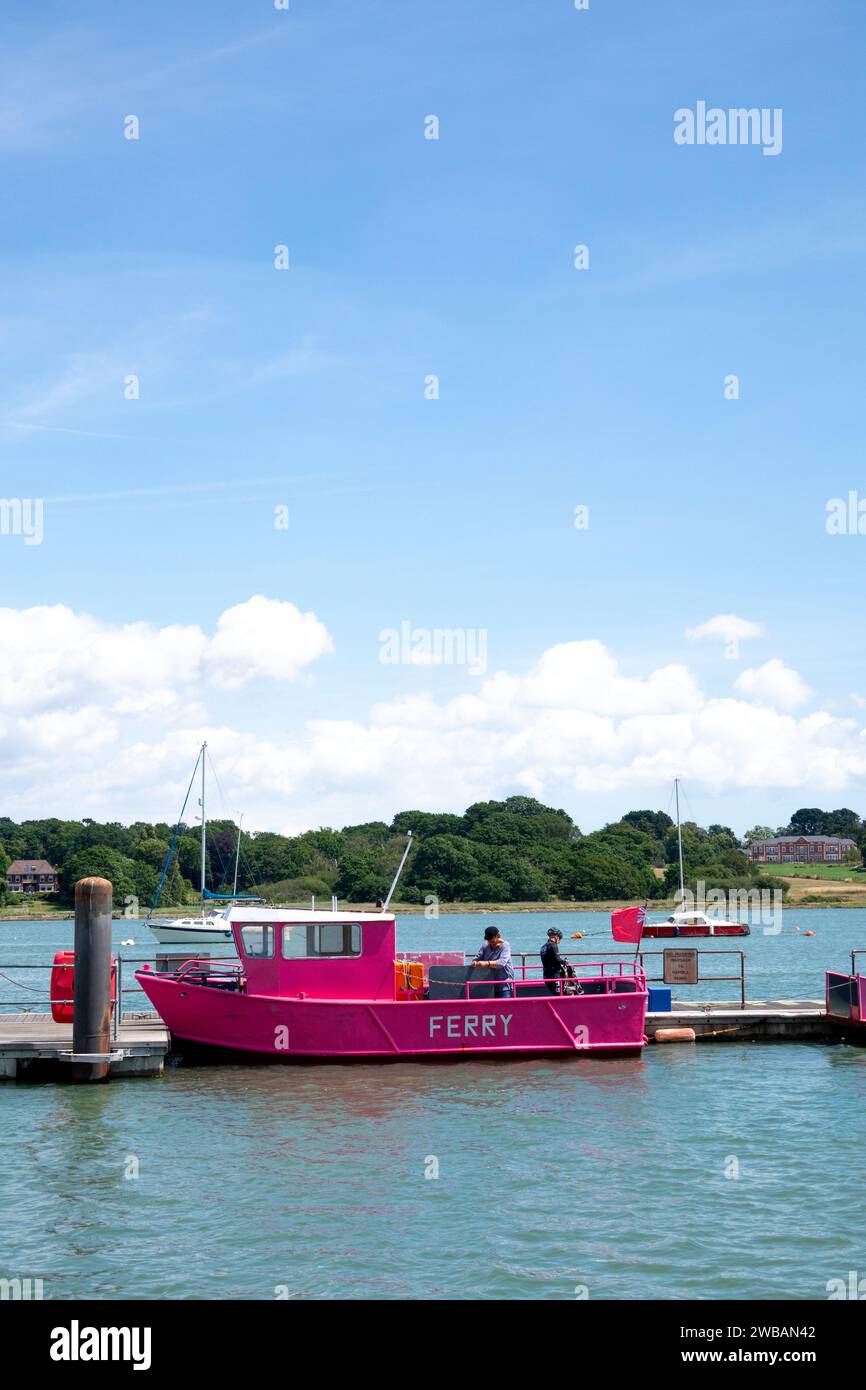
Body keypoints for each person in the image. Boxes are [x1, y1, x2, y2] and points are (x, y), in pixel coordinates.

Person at [472, 926, 514, 999]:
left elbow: (501, 963)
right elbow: (477, 958)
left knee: (504, 1008)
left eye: (493, 941)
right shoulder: (485, 945)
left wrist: (486, 963)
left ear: (498, 936)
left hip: (504, 985)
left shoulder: (505, 945)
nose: (491, 943)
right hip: (489, 985)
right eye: (489, 941)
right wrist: (475, 962)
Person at [540, 927, 581, 996]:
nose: (559, 940)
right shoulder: (553, 945)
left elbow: (549, 960)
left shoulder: (543, 947)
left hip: (546, 975)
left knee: (555, 994)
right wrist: (565, 962)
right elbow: (557, 959)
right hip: (555, 976)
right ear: (556, 937)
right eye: (559, 938)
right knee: (559, 995)